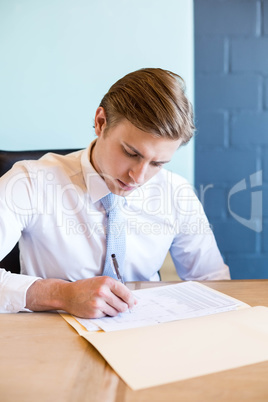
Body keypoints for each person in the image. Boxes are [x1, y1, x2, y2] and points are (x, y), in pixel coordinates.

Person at [0, 68, 230, 318]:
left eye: (157, 164)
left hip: (147, 337)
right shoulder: (30, 182)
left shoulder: (177, 192)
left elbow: (212, 282)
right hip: (51, 334)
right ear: (101, 122)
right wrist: (62, 294)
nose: (139, 177)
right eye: (132, 153)